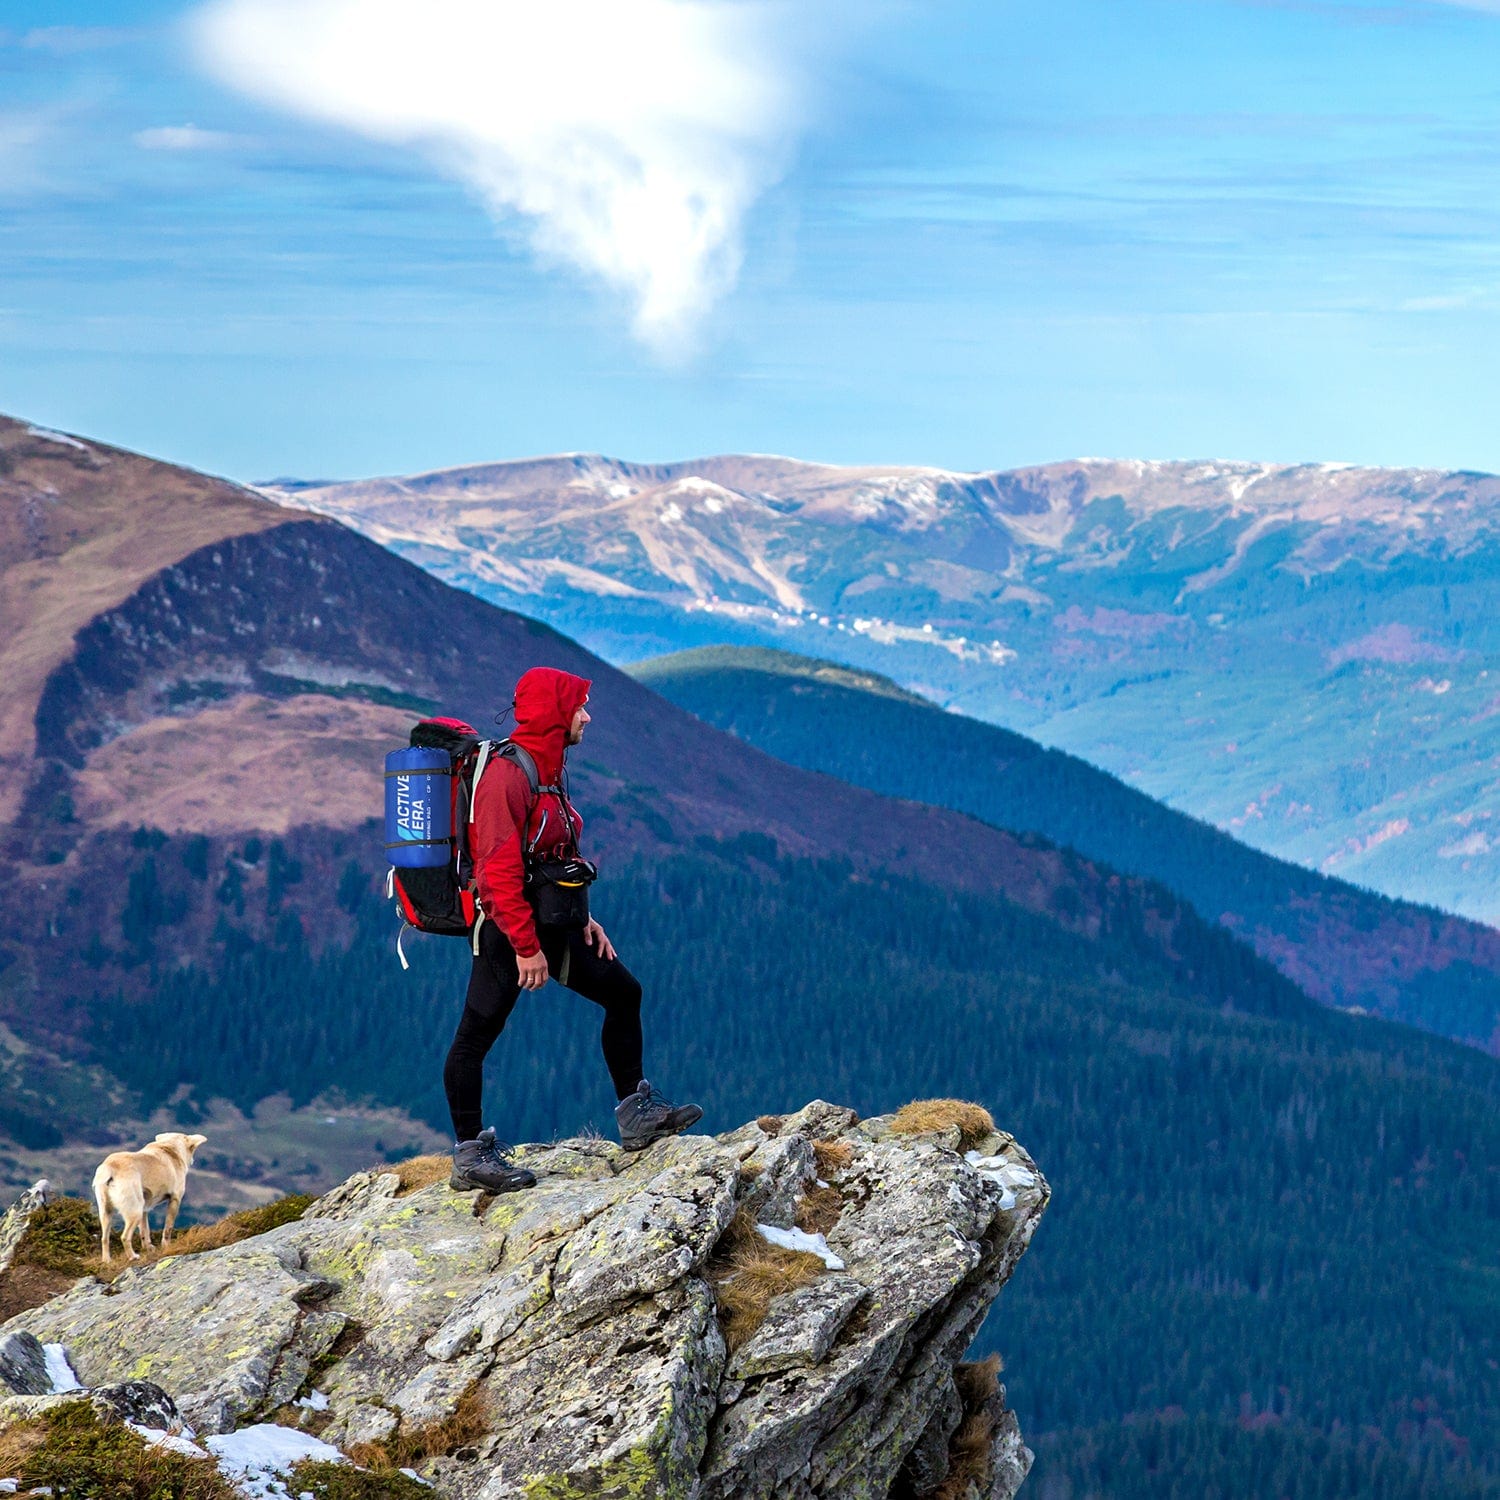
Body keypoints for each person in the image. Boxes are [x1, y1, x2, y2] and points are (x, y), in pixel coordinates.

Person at [444, 666, 702, 1193]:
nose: (587, 714)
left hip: (556, 924)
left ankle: (636, 1114)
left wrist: (585, 917)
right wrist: (524, 947)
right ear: (555, 714)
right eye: (579, 705)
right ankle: (469, 1155)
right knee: (474, 1039)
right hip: (507, 932)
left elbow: (554, 856)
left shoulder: (547, 768)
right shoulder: (507, 777)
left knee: (624, 992)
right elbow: (496, 874)